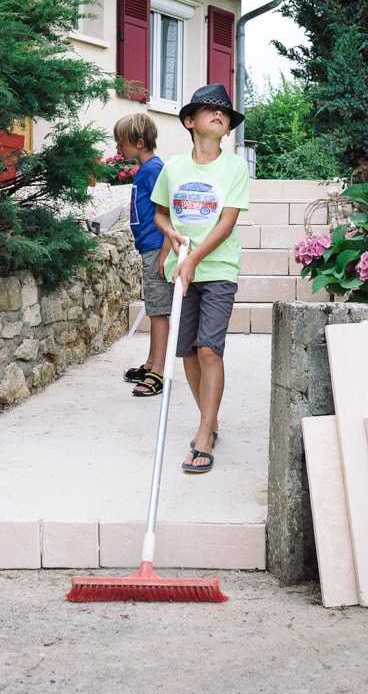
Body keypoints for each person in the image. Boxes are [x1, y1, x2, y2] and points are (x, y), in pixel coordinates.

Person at [152, 83, 250, 474]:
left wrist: (193, 258)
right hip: (182, 269)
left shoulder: (235, 167)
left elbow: (226, 224)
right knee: (188, 352)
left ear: (228, 129)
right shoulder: (174, 167)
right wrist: (172, 236)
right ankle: (209, 417)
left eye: (224, 112)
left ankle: (204, 432)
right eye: (209, 109)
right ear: (190, 121)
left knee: (209, 348)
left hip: (217, 270)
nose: (218, 114)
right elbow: (160, 213)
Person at [114, 113, 173, 397]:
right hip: (147, 249)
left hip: (156, 249)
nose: (118, 148)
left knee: (159, 312)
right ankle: (151, 363)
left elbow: (169, 212)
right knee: (153, 309)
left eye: (121, 143)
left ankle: (158, 372)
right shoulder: (145, 168)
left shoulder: (155, 169)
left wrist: (164, 253)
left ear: (139, 142)